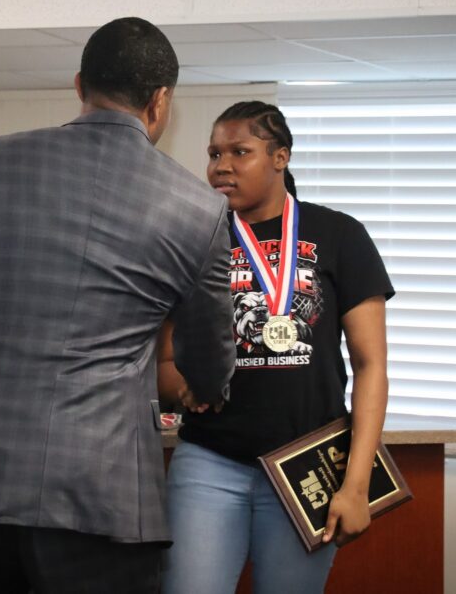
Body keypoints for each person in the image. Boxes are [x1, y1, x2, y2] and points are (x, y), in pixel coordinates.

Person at [0, 16, 236, 594]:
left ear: (78, 85)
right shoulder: (199, 209)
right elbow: (208, 355)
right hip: (102, 500)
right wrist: (209, 386)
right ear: (160, 100)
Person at [159, 101, 394, 594]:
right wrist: (184, 388)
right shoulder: (193, 239)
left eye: (239, 152)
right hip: (210, 462)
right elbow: (164, 358)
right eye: (214, 154)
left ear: (280, 157)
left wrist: (355, 485)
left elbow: (371, 365)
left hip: (307, 463)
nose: (221, 166)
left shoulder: (340, 234)